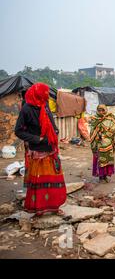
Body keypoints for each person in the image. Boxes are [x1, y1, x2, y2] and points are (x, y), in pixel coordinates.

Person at [14, 83, 66, 216]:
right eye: (45, 93)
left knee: (54, 180)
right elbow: (18, 131)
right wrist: (38, 139)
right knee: (40, 182)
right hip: (38, 151)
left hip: (51, 149)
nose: (47, 96)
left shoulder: (44, 104)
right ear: (37, 94)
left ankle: (54, 206)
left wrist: (55, 131)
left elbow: (50, 121)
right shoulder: (26, 109)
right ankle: (39, 208)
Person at [90, 104, 115, 183]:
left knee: (108, 160)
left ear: (106, 110)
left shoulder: (110, 119)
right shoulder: (94, 119)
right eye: (99, 110)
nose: (101, 112)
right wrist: (98, 136)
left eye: (103, 110)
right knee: (100, 160)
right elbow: (92, 132)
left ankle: (106, 176)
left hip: (108, 144)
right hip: (98, 144)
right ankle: (101, 177)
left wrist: (105, 134)